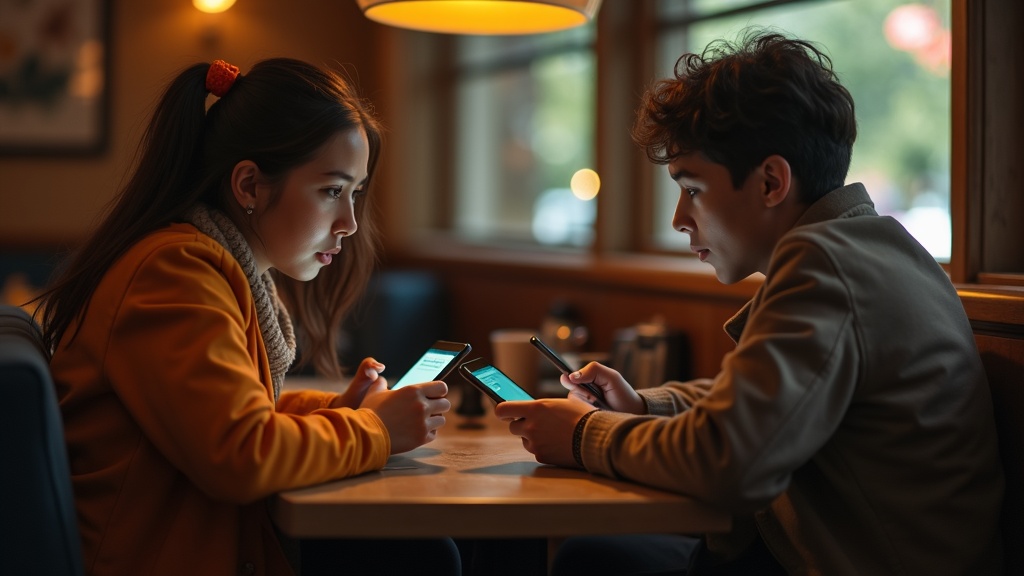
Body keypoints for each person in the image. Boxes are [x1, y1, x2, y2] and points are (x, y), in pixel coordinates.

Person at [494, 29, 1005, 575]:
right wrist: (645, 406)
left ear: (770, 182)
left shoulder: (825, 266)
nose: (678, 220)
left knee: (587, 559)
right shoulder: (871, 250)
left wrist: (580, 435)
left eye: (692, 189)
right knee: (594, 554)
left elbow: (730, 461)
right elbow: (758, 402)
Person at [35, 58, 460, 575]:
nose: (349, 222)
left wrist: (338, 410)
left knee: (421, 552)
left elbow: (231, 415)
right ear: (249, 186)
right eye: (331, 191)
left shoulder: (209, 265)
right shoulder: (175, 271)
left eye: (357, 194)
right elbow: (240, 454)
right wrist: (374, 430)